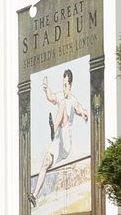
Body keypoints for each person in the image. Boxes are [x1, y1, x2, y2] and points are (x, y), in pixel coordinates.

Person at [28, 68, 89, 207]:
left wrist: (85, 113)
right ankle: (34, 195)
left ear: (70, 85)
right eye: (63, 85)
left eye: (66, 85)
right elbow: (51, 97)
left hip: (65, 140)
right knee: (45, 163)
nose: (64, 88)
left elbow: (81, 110)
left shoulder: (73, 101)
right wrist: (45, 88)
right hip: (57, 141)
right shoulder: (60, 95)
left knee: (62, 106)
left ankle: (53, 128)